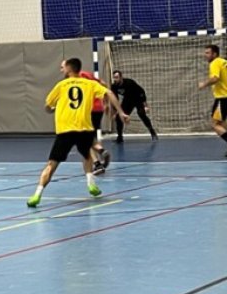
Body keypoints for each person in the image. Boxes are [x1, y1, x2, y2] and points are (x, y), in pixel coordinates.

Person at [27, 59, 130, 208]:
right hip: (84, 129)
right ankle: (91, 184)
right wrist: (121, 112)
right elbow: (108, 92)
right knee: (87, 156)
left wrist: (52, 109)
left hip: (65, 130)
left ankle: (37, 194)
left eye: (63, 68)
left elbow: (48, 106)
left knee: (51, 165)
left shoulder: (61, 85)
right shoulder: (89, 84)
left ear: (69, 70)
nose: (61, 70)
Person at [198, 45, 227, 156]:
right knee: (221, 122)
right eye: (205, 52)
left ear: (215, 54)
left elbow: (215, 78)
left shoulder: (215, 63)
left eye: (208, 53)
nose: (205, 55)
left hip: (223, 98)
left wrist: (204, 84)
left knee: (214, 124)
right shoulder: (225, 62)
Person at [78, 70, 112, 174]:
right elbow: (103, 84)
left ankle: (98, 162)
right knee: (91, 137)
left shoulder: (78, 77)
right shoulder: (88, 75)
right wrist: (106, 103)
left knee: (84, 139)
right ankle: (101, 152)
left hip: (88, 110)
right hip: (98, 109)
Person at [110, 70, 158, 142]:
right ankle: (120, 137)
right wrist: (115, 111)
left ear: (121, 77)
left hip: (137, 99)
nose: (115, 79)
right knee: (118, 117)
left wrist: (145, 105)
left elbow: (141, 91)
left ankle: (152, 132)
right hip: (127, 100)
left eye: (117, 77)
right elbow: (115, 99)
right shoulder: (114, 86)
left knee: (142, 114)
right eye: (114, 77)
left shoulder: (129, 82)